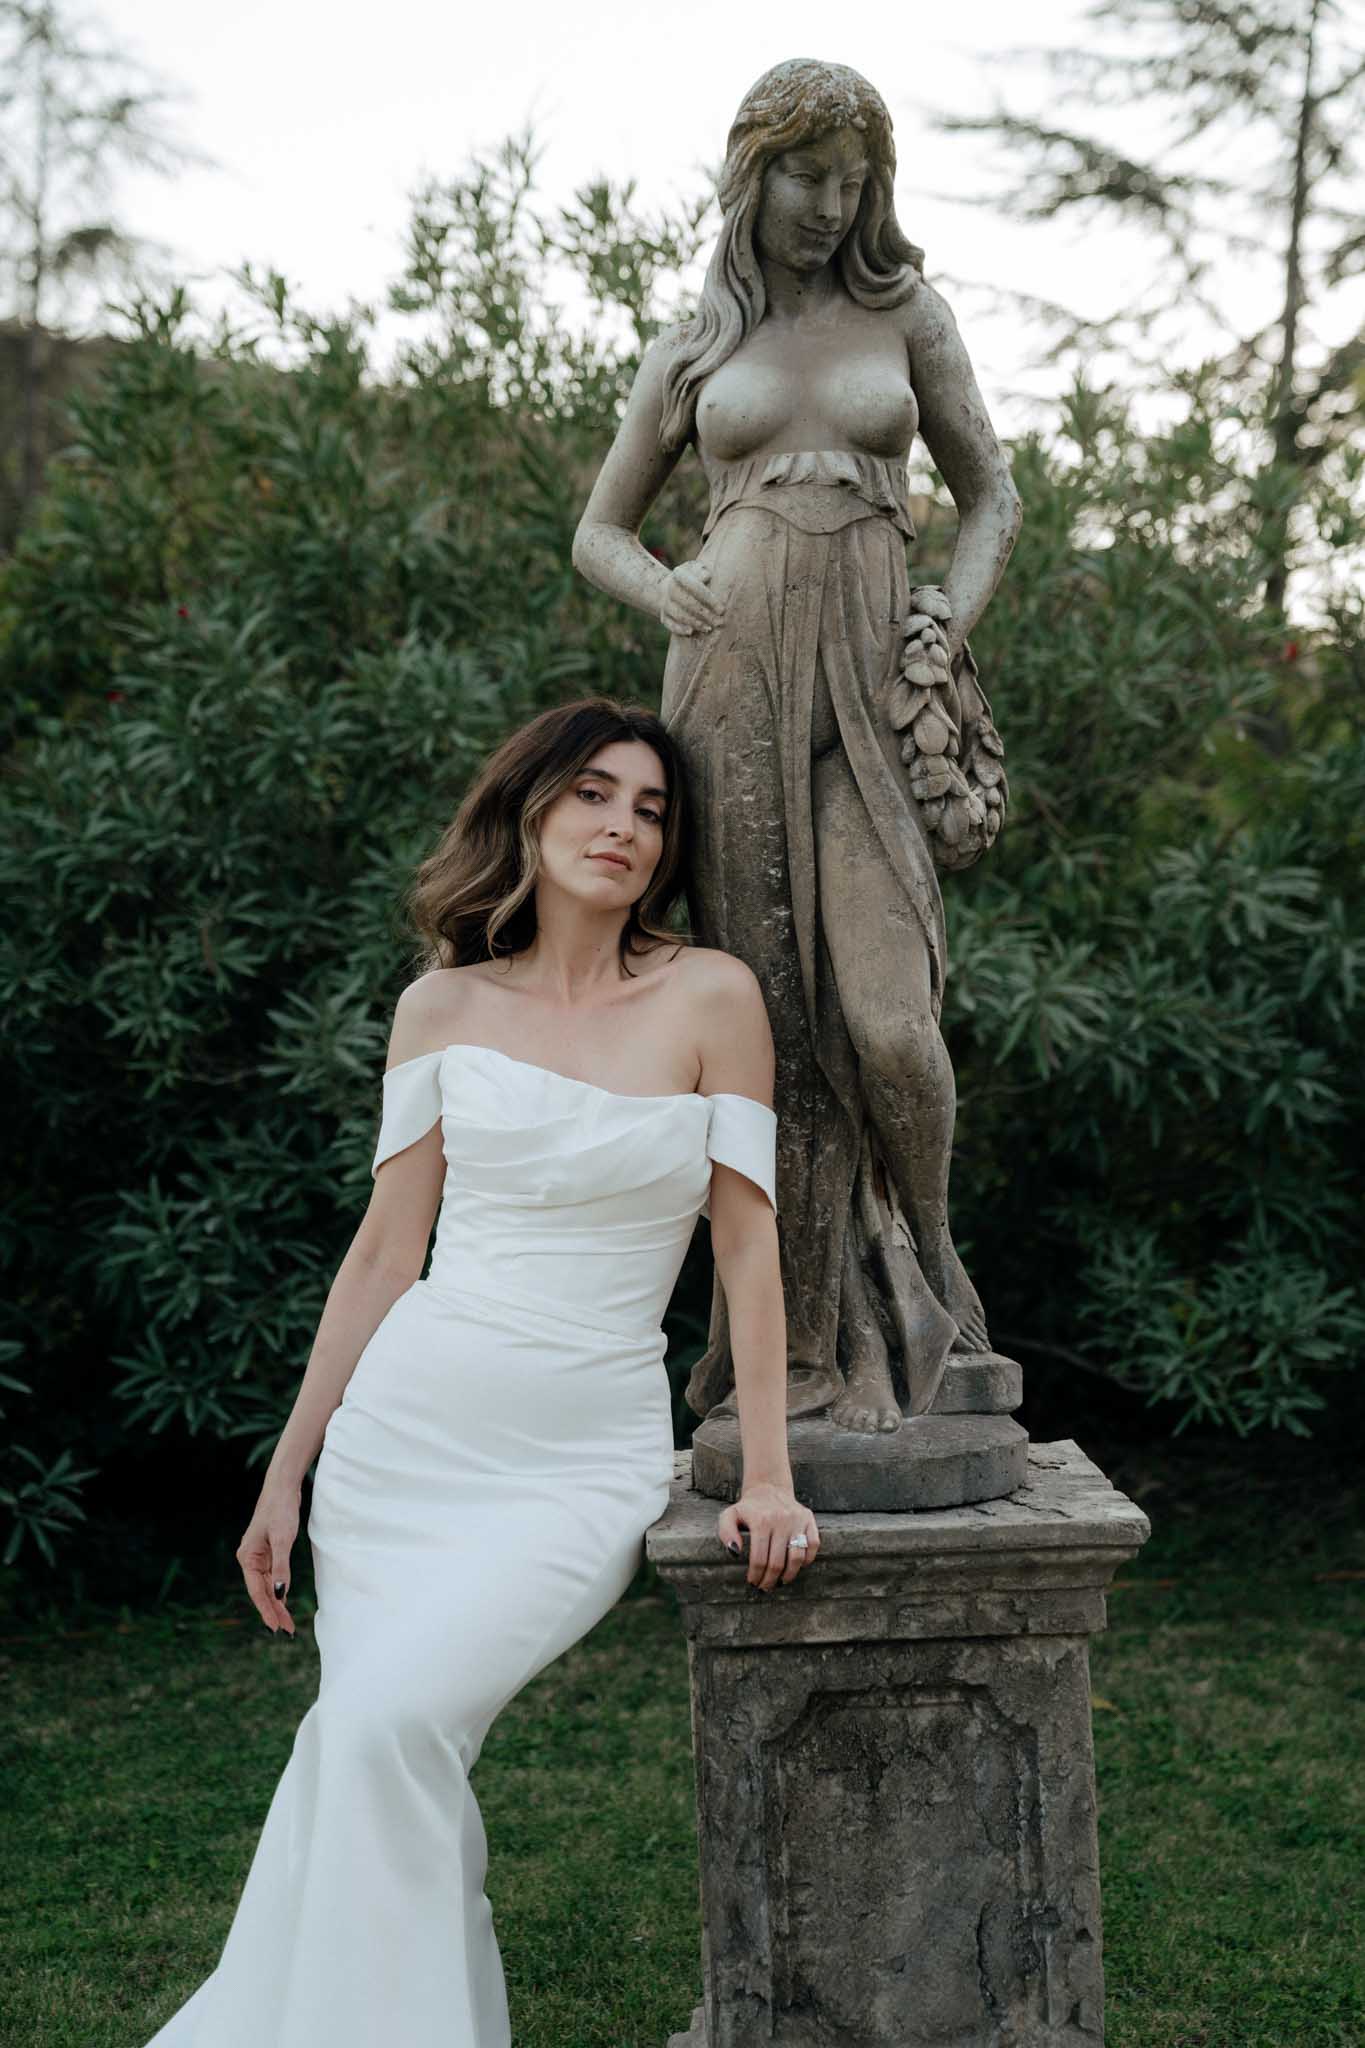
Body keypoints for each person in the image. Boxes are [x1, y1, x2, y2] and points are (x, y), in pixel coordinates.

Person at [141, 695, 818, 2048]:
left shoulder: (709, 996)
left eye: (650, 808)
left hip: (576, 1461)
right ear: (528, 805)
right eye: (592, 794)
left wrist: (771, 1474)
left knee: (386, 1729)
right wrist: (287, 1476)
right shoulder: (439, 1008)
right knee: (382, 1742)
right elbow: (386, 1253)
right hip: (404, 1444)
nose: (622, 826)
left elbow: (745, 1241)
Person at [574, 59, 1023, 1433]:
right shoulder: (696, 348)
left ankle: (930, 1263)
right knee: (763, 1028)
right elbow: (598, 532)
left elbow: (990, 494)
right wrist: (668, 589)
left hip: (876, 680)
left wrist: (948, 613)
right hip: (729, 680)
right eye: (806, 175)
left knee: (887, 1022)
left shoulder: (909, 317)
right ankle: (801, 1353)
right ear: (752, 173)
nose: (831, 205)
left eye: (852, 179)